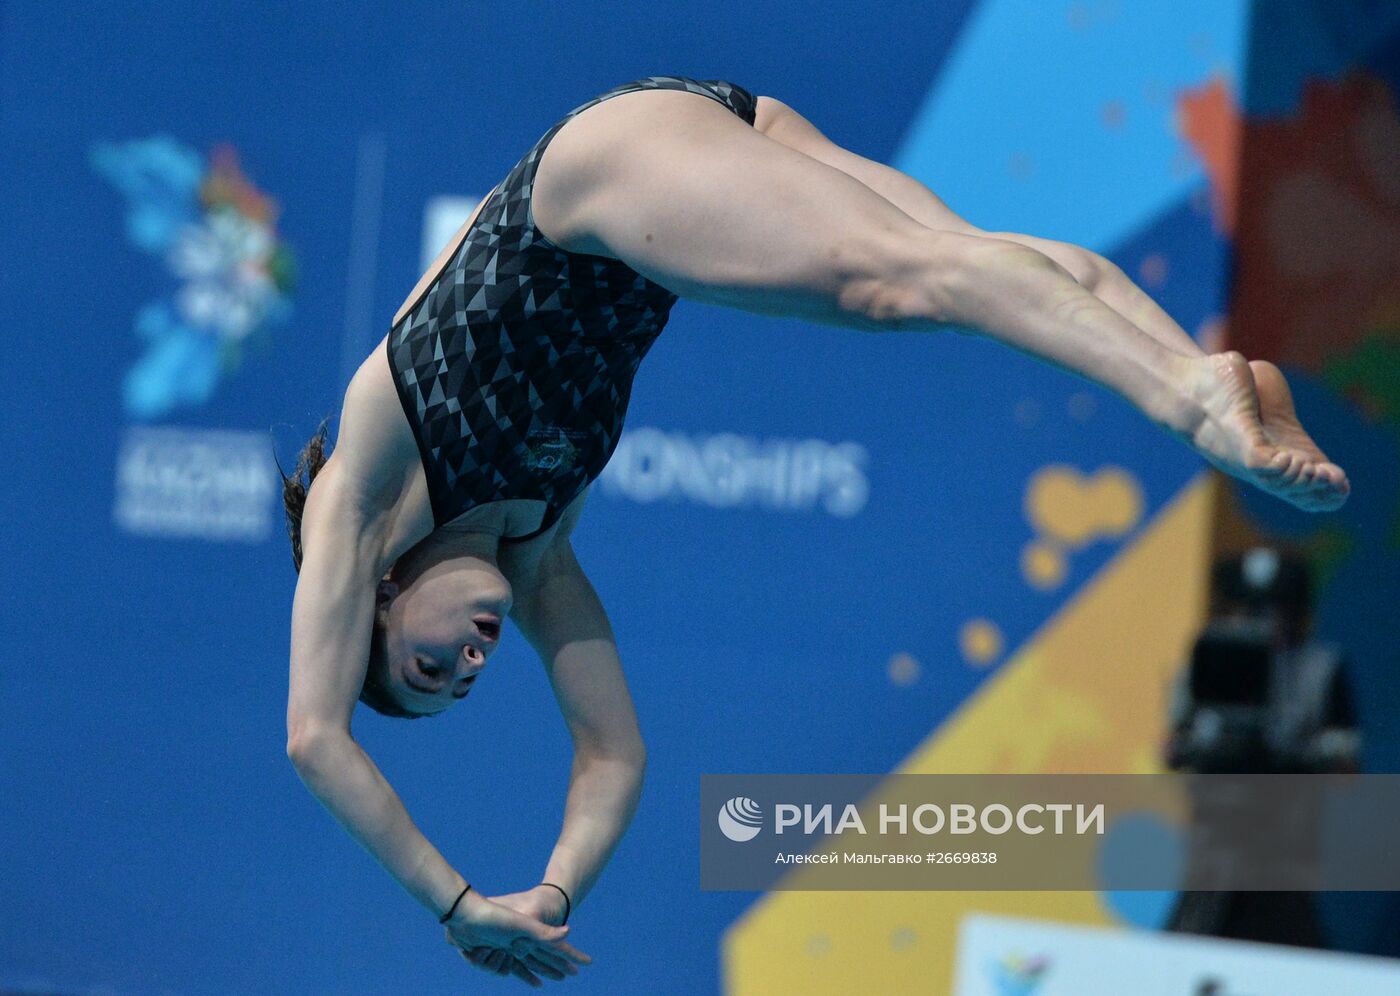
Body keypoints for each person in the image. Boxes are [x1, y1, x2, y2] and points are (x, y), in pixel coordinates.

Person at [281, 75, 1350, 985]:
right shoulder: (539, 545)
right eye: (470, 674)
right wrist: (547, 897)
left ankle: (1187, 398)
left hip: (604, 174)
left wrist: (451, 903)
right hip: (705, 142)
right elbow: (612, 754)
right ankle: (1215, 378)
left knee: (894, 284)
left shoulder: (369, 496)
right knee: (966, 267)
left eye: (428, 667)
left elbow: (315, 738)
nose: (472, 657)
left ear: (375, 592)